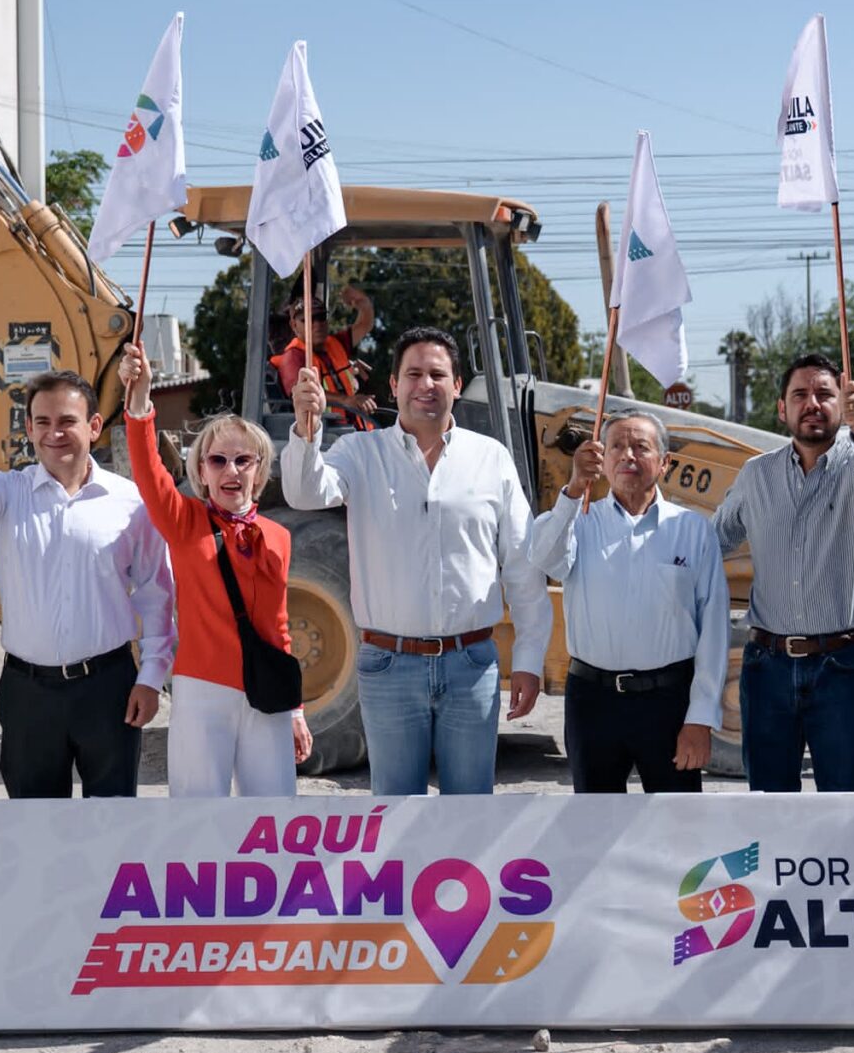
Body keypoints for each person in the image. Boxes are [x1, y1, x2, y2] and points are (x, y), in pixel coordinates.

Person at [284, 325, 547, 796]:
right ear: (394, 384)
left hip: (471, 665)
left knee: (470, 811)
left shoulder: (491, 458)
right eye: (414, 374)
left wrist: (529, 658)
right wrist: (307, 430)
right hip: (389, 667)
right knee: (395, 812)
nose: (426, 384)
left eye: (437, 374)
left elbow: (523, 565)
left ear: (457, 385)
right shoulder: (358, 453)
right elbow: (304, 492)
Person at [0, 371, 174, 797]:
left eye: (66, 421)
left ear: (93, 426)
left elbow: (157, 594)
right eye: (42, 422)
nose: (53, 433)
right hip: (28, 694)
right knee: (34, 825)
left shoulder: (130, 502)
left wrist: (151, 676)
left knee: (112, 821)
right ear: (28, 428)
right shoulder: (7, 494)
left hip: (108, 689)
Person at [117, 342, 312, 795]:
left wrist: (296, 709)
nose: (231, 471)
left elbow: (278, 628)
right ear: (202, 471)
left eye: (243, 460)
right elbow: (148, 471)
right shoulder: (184, 520)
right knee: (198, 815)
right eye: (218, 460)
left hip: (266, 694)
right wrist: (140, 399)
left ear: (259, 471)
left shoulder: (278, 537)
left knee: (272, 816)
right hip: (201, 690)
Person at [712, 351, 854, 792]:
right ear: (782, 408)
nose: (812, 403)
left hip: (842, 668)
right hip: (766, 669)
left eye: (824, 394)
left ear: (844, 402)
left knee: (842, 802)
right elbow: (712, 542)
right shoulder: (756, 475)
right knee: (771, 803)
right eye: (800, 395)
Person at [528, 413, 728, 793]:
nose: (627, 455)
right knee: (596, 821)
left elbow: (714, 633)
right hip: (593, 702)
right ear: (602, 460)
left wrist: (700, 718)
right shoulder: (579, 522)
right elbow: (544, 558)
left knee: (676, 822)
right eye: (616, 446)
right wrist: (573, 489)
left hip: (668, 702)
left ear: (665, 462)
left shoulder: (692, 530)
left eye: (640, 447)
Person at [271, 280, 377, 427]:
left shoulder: (336, 343)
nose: (317, 325)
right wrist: (346, 400)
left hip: (354, 430)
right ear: (294, 325)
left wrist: (363, 303)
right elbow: (304, 393)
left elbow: (364, 325)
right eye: (308, 319)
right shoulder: (293, 357)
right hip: (325, 433)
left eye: (321, 317)